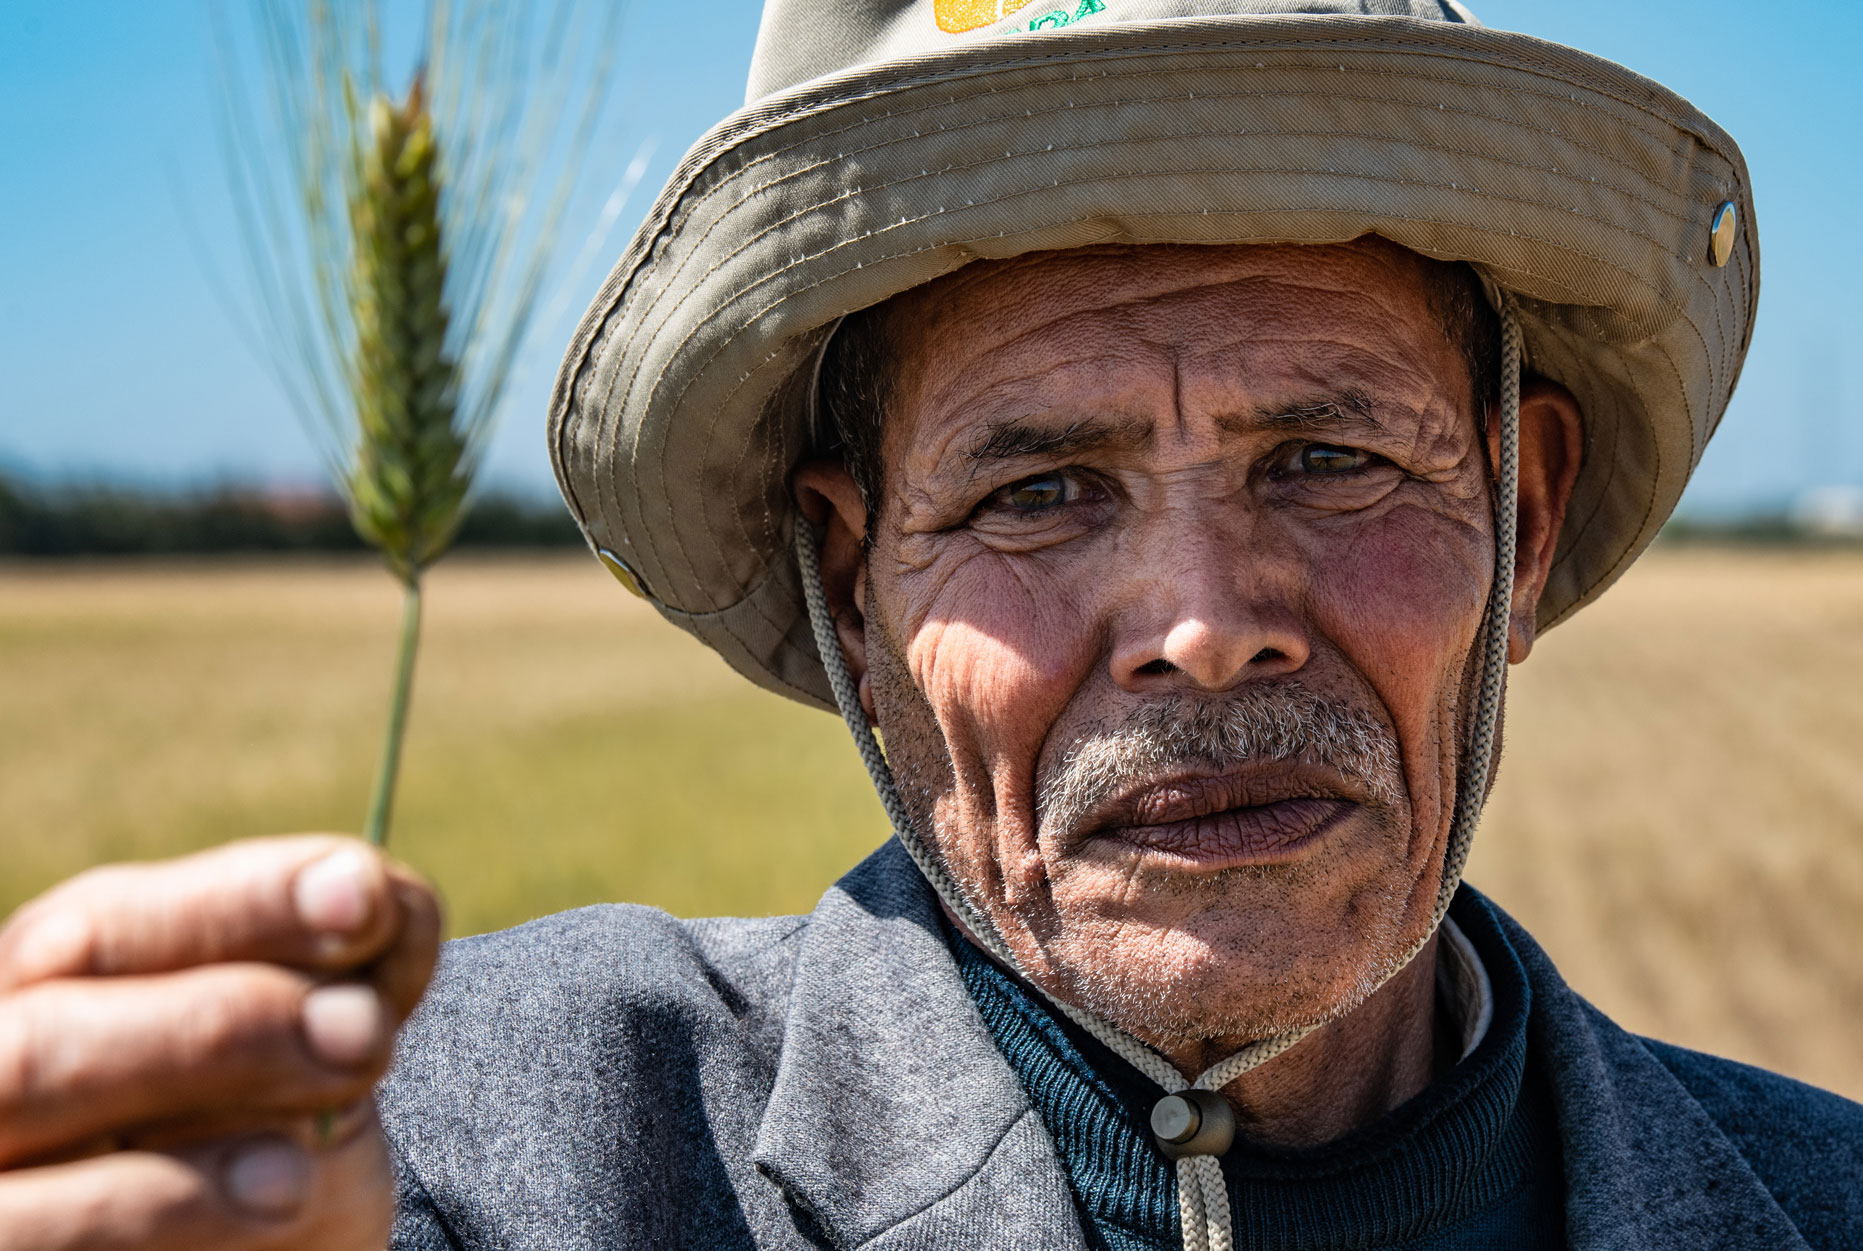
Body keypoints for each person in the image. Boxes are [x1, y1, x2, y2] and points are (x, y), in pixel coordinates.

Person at [2, 1, 1858, 1248]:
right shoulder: (466, 1162)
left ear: (1521, 521)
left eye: (1327, 458)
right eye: (1036, 493)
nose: (1206, 629)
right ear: (854, 589)